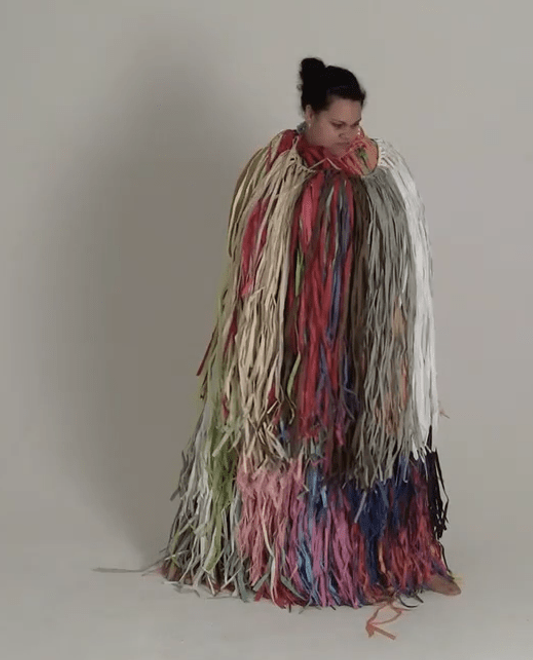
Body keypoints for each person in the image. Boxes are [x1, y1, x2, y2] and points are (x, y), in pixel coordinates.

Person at [161, 57, 460, 609]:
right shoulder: (275, 173)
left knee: (369, 439)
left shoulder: (378, 169)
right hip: (293, 347)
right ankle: (289, 559)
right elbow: (253, 273)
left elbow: (402, 265)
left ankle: (403, 557)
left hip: (364, 340)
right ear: (307, 114)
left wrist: (389, 327)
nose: (350, 136)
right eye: (336, 126)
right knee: (302, 438)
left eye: (356, 125)